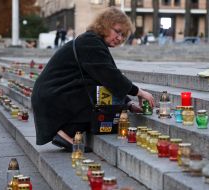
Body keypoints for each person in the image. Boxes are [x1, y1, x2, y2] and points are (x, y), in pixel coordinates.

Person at [31, 7, 155, 152]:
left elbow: (104, 79)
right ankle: (66, 133)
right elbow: (109, 76)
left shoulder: (93, 41)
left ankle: (68, 132)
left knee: (97, 92)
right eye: (117, 31)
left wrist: (128, 103)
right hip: (53, 96)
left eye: (123, 35)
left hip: (54, 94)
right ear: (104, 25)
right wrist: (139, 92)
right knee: (96, 96)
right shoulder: (90, 42)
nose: (120, 38)